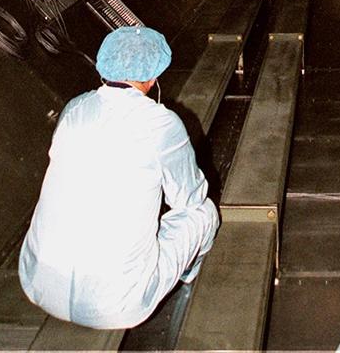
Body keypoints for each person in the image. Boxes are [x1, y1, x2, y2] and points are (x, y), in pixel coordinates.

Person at [19, 25, 219, 331]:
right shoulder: (161, 123)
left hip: (36, 283)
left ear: (105, 67)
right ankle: (186, 274)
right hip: (116, 305)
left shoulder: (76, 108)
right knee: (203, 213)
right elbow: (189, 198)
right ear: (153, 78)